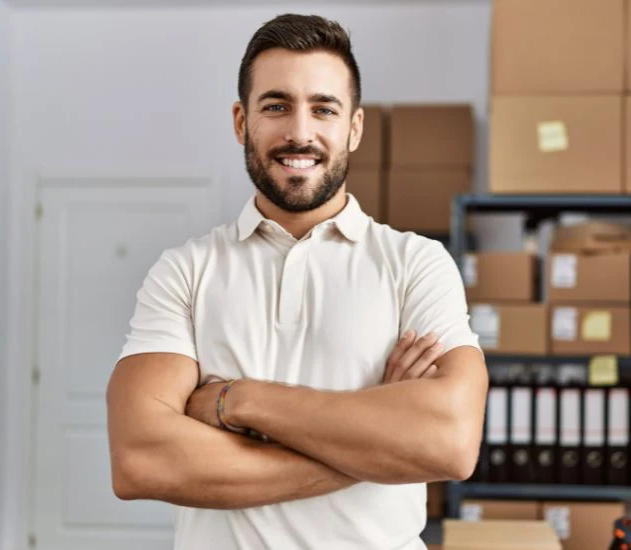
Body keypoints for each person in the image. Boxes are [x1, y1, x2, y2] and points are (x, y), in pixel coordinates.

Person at [106, 13, 488, 550]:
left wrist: (238, 400)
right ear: (241, 121)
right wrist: (376, 442)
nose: (300, 133)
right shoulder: (185, 272)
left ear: (354, 127)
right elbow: (140, 460)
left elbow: (450, 444)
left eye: (324, 108)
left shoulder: (416, 265)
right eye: (276, 106)